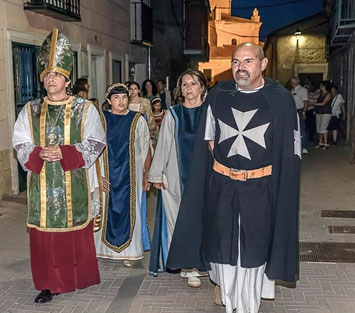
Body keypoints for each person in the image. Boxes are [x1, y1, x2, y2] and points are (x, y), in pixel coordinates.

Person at [167, 43, 300, 313]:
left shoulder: (280, 100)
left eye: (248, 61)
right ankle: (229, 302)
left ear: (262, 65)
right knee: (223, 249)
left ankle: (247, 307)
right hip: (223, 187)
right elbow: (208, 139)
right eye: (236, 61)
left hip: (261, 189)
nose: (241, 67)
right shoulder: (219, 95)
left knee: (253, 251)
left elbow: (290, 152)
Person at [12, 29, 105, 303]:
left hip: (72, 180)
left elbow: (96, 141)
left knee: (73, 232)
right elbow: (20, 141)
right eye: (47, 76)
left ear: (67, 79)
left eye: (56, 75)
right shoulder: (30, 110)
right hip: (42, 183)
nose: (51, 80)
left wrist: (64, 153)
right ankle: (48, 284)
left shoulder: (84, 109)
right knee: (45, 237)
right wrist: (38, 153)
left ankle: (78, 277)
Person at [148, 69, 208, 288]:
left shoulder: (211, 112)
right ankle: (189, 267)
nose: (188, 88)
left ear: (202, 87)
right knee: (179, 222)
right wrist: (156, 174)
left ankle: (206, 264)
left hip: (206, 178)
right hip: (176, 177)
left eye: (193, 83)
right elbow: (163, 145)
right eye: (184, 84)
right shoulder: (173, 114)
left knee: (205, 221)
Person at [94, 83, 151, 267]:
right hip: (106, 176)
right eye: (116, 98)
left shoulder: (137, 119)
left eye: (124, 97)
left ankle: (130, 252)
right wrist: (97, 177)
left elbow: (146, 148)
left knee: (132, 210)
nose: (121, 101)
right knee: (103, 209)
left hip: (131, 177)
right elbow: (92, 149)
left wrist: (146, 175)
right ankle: (102, 250)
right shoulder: (101, 119)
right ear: (109, 101)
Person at [290, 77, 309, 154]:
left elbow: (306, 102)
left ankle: (304, 146)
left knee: (302, 129)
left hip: (300, 110)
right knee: (294, 129)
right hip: (293, 111)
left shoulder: (302, 90)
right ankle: (295, 145)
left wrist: (304, 112)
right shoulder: (292, 90)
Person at [313, 81, 332, 150]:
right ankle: (320, 142)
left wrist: (312, 104)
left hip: (326, 112)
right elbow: (315, 98)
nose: (320, 86)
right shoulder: (321, 93)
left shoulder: (329, 94)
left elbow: (323, 103)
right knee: (319, 128)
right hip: (319, 112)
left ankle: (326, 143)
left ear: (324, 86)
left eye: (321, 85)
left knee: (323, 128)